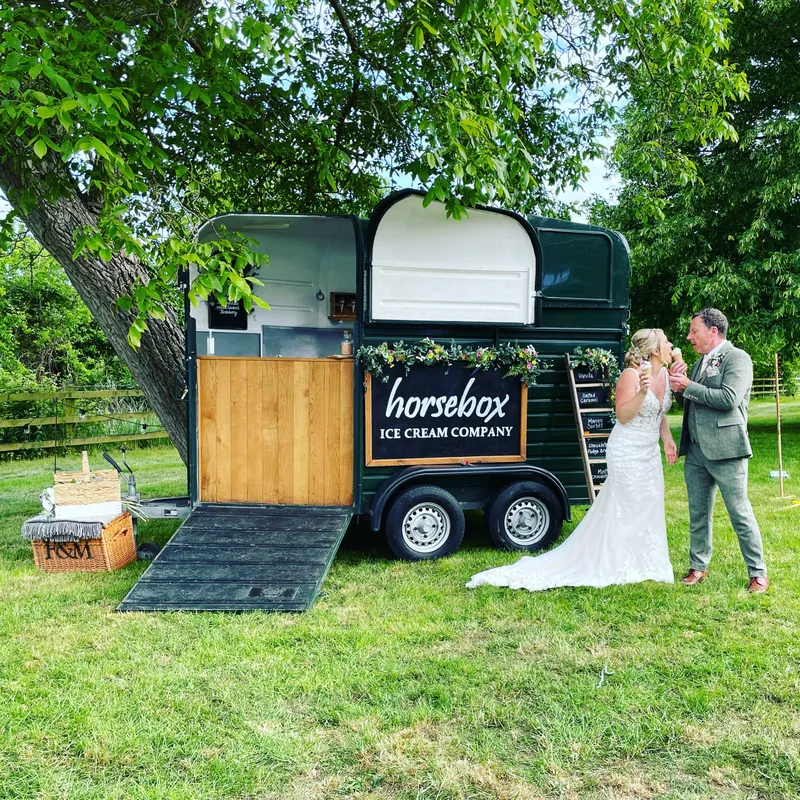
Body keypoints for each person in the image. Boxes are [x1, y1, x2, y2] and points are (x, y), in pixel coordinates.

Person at [467, 329, 677, 592]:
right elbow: (623, 416)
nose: (672, 345)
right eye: (667, 342)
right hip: (627, 449)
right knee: (624, 504)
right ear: (655, 350)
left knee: (647, 502)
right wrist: (641, 393)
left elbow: (660, 413)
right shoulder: (631, 376)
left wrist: (667, 439)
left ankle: (645, 559)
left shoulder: (666, 376)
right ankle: (617, 559)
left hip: (649, 451)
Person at [668, 309, 768, 593]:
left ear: (713, 331)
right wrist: (679, 386)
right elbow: (692, 400)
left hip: (727, 449)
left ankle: (758, 572)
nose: (689, 337)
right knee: (698, 512)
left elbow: (728, 399)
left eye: (693, 331)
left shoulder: (738, 358)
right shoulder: (700, 362)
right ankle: (697, 567)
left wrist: (689, 385)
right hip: (697, 450)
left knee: (739, 511)